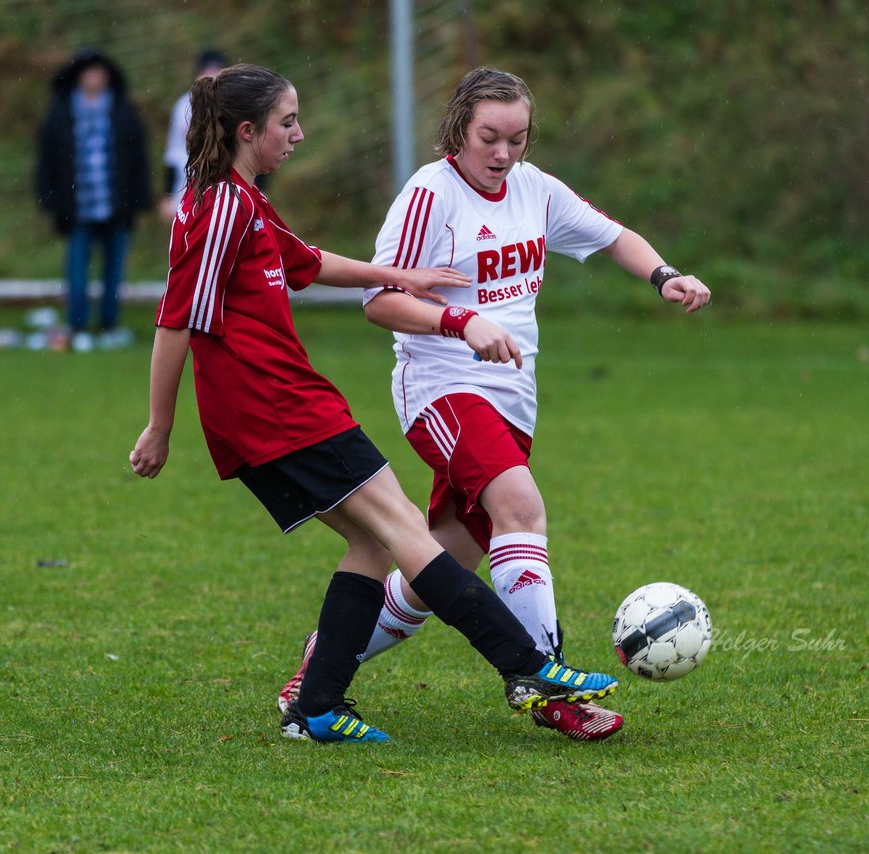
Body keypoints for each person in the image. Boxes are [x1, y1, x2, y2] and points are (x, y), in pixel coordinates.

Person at [127, 63, 618, 744]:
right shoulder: (218, 211)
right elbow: (176, 320)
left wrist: (397, 274)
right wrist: (160, 426)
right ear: (248, 131)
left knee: (371, 542)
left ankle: (319, 706)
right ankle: (532, 667)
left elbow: (306, 262)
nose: (299, 133)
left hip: (285, 406)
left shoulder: (243, 201)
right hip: (277, 409)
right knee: (408, 536)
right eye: (287, 122)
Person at [276, 67, 710, 742]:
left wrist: (664, 275)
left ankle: (326, 660)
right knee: (520, 506)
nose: (503, 154)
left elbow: (611, 233)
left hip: (512, 397)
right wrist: (460, 323)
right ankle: (544, 681)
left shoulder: (533, 190)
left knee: (440, 559)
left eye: (517, 139)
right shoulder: (430, 193)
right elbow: (380, 300)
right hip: (441, 386)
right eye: (489, 138)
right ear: (459, 130)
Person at [36, 48, 150, 352]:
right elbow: (47, 158)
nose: (94, 79)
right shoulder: (61, 112)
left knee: (114, 270)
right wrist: (48, 197)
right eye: (89, 73)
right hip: (78, 207)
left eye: (99, 73)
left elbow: (137, 157)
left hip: (115, 205)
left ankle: (110, 324)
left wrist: (140, 197)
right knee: (76, 269)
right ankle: (77, 324)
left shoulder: (122, 111)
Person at [160, 48, 229, 223]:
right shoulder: (183, 106)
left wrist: (259, 186)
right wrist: (168, 195)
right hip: (187, 184)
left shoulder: (233, 105)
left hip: (225, 183)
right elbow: (172, 154)